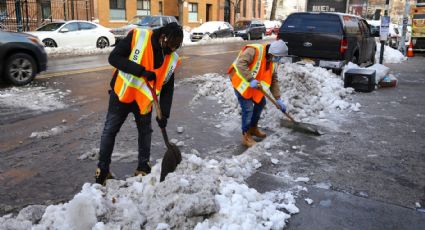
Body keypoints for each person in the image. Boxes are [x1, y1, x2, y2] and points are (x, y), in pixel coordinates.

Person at [95, 22, 183, 185]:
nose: (171, 50)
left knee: (145, 132)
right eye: (170, 46)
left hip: (143, 101)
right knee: (110, 130)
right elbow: (114, 58)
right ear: (163, 37)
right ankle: (102, 171)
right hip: (122, 94)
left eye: (175, 47)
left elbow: (167, 88)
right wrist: (141, 71)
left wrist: (164, 113)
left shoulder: (171, 57)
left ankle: (143, 168)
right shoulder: (139, 36)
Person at [227, 40, 288, 147]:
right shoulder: (254, 50)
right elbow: (240, 63)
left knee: (260, 104)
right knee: (248, 108)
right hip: (240, 82)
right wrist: (250, 79)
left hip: (254, 85)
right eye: (278, 56)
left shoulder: (273, 60)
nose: (279, 59)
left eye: (280, 57)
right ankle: (246, 135)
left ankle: (253, 128)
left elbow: (273, 79)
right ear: (272, 52)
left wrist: (278, 98)